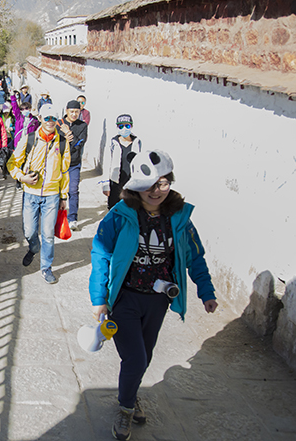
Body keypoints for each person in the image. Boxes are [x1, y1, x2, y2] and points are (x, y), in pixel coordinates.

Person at [88, 149, 219, 440]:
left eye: (163, 183)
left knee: (144, 357)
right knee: (135, 359)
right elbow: (101, 253)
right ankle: (126, 408)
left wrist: (206, 291)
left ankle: (130, 394)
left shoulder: (180, 218)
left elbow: (195, 256)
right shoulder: (119, 216)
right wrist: (99, 298)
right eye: (149, 184)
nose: (156, 191)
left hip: (158, 301)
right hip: (125, 299)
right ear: (137, 185)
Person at [7, 103, 71, 284]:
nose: (50, 121)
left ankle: (46, 267)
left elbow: (65, 171)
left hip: (52, 195)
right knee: (29, 231)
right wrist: (22, 177)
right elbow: (12, 163)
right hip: (31, 193)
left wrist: (63, 196)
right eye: (46, 118)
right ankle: (34, 247)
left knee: (48, 233)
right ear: (40, 118)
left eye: (53, 118)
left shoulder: (62, 142)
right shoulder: (29, 139)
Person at [58, 100, 88, 232]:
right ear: (66, 111)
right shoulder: (58, 124)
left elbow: (79, 144)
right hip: (58, 163)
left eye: (77, 112)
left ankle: (72, 219)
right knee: (57, 190)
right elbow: (57, 143)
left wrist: (68, 133)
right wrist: (65, 136)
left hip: (74, 163)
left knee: (73, 190)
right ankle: (57, 216)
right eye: (72, 112)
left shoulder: (82, 125)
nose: (74, 114)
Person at [103, 114, 142, 210]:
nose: (124, 129)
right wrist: (105, 185)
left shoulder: (137, 142)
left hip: (131, 181)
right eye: (121, 126)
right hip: (116, 181)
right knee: (114, 208)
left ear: (131, 126)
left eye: (127, 126)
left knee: (130, 207)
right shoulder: (113, 143)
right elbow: (107, 163)